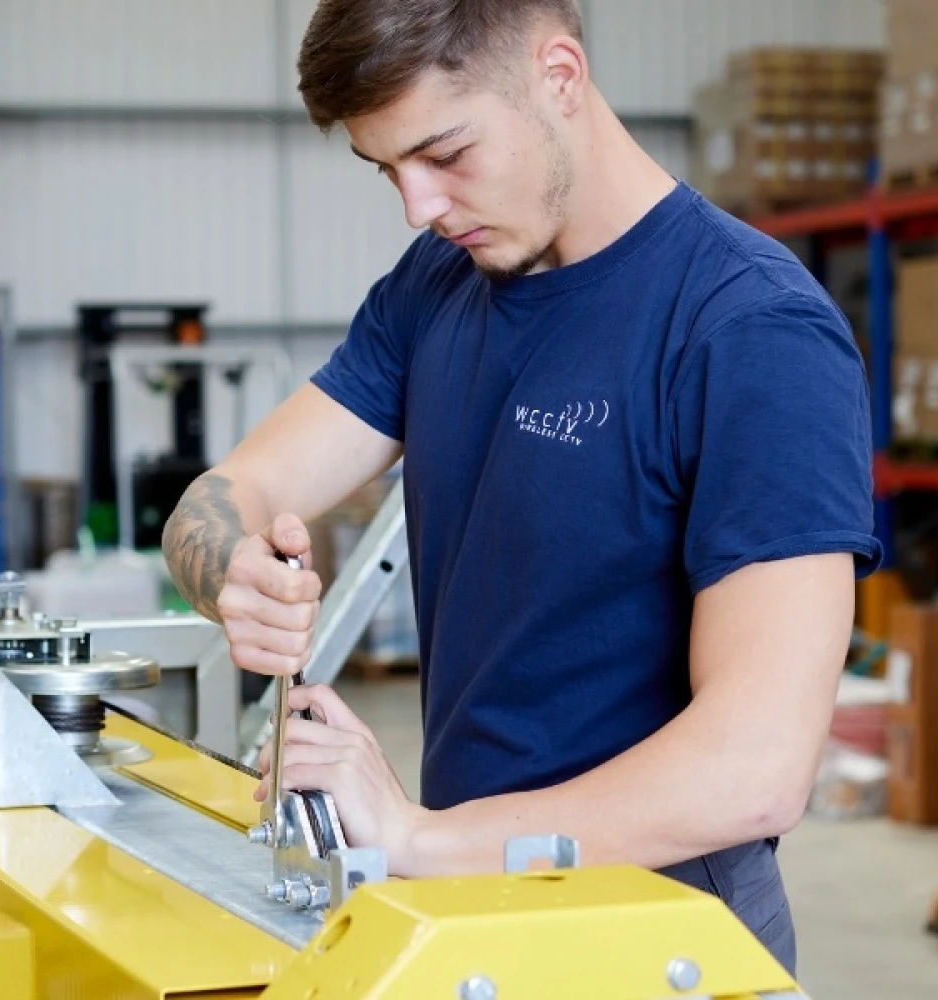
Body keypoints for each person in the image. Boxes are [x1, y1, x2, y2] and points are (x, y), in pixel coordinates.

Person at [160, 0, 878, 971]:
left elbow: (753, 768)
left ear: (558, 77)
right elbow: (234, 487)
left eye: (444, 154)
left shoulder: (748, 329)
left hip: (658, 940)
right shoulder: (435, 287)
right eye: (387, 171)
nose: (416, 205)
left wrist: (412, 840)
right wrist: (228, 569)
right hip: (475, 914)